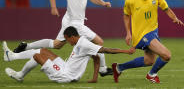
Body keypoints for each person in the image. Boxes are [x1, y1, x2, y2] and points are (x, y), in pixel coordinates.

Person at [13, 0, 112, 76]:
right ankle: (103, 69)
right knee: (99, 41)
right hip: (74, 23)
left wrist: (103, 3)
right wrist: (53, 7)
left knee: (57, 45)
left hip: (72, 21)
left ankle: (26, 46)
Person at [112, 0, 184, 83]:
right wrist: (128, 33)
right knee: (166, 55)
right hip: (141, 35)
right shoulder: (130, 0)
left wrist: (174, 18)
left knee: (149, 61)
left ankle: (119, 68)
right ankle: (151, 75)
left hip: (153, 32)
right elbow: (126, 16)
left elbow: (166, 8)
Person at [3, 26, 135, 83]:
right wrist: (95, 78)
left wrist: (126, 51)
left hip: (65, 75)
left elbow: (106, 50)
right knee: (42, 50)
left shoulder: (84, 44)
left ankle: (19, 73)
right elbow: (96, 58)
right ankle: (12, 58)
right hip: (65, 66)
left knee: (37, 56)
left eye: (66, 39)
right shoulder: (80, 43)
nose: (66, 41)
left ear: (71, 37)